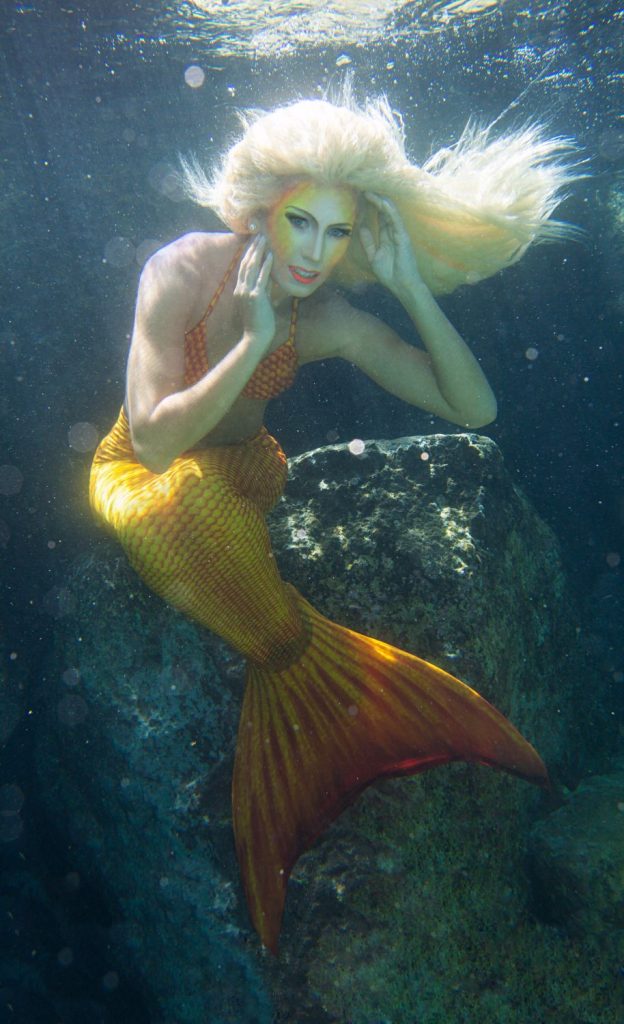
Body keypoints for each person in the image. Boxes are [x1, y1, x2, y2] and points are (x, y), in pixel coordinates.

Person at [89, 91, 576, 953]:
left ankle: (321, 697)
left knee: (219, 498)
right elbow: (158, 442)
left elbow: (475, 408)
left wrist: (413, 290)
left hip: (247, 474)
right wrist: (250, 343)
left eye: (337, 233)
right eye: (299, 222)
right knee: (183, 505)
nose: (313, 251)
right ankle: (310, 677)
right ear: (260, 211)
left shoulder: (333, 318)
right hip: (144, 472)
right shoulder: (182, 271)